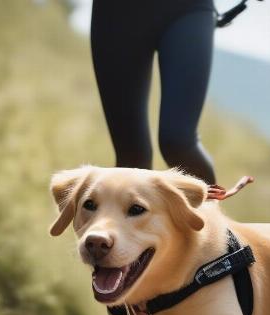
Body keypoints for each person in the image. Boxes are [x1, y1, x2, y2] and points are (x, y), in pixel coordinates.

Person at [91, 0, 249, 184]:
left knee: (178, 143)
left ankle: (209, 212)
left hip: (188, 9)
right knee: (131, 157)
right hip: (116, 13)